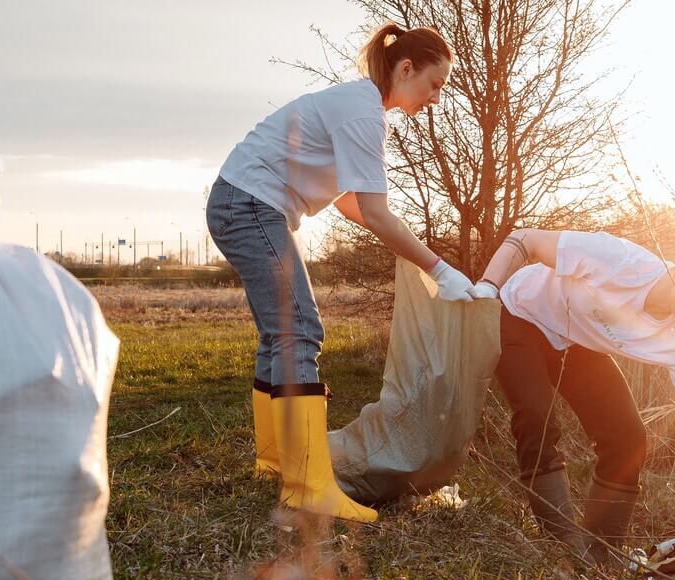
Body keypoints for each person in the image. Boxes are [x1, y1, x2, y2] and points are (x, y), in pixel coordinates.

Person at [207, 24, 482, 523]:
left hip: (242, 201)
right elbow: (375, 212)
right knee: (299, 330)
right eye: (434, 84)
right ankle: (308, 485)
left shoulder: (361, 107)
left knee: (281, 334)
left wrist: (411, 252)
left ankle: (275, 465)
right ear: (405, 69)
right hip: (250, 203)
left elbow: (355, 204)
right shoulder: (362, 113)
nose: (436, 99)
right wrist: (438, 267)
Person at [473, 229, 675, 563]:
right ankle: (563, 549)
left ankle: (600, 555)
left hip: (576, 341)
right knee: (536, 416)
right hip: (522, 314)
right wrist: (488, 285)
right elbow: (526, 238)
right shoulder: (620, 260)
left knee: (629, 438)